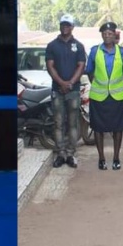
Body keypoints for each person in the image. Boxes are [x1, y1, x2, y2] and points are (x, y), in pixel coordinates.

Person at [86, 22, 123, 171]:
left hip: (118, 96)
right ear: (102, 35)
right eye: (104, 33)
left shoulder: (122, 52)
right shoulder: (95, 51)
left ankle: (116, 158)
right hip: (99, 96)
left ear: (115, 35)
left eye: (110, 33)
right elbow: (90, 72)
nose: (107, 36)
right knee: (98, 128)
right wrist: (99, 84)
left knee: (118, 128)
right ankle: (101, 158)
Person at [46, 14, 86, 168]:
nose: (65, 27)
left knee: (73, 124)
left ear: (72, 26)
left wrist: (70, 83)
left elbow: (81, 66)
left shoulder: (79, 45)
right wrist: (61, 83)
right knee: (58, 123)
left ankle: (70, 154)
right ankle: (60, 154)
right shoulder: (52, 45)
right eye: (63, 24)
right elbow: (50, 66)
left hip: (73, 91)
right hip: (57, 90)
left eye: (68, 24)